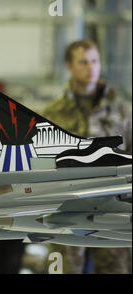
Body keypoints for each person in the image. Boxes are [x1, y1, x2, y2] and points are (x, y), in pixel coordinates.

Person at [42, 39, 132, 274]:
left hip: (112, 207)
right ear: (69, 66)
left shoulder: (121, 110)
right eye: (83, 62)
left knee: (117, 270)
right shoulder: (52, 114)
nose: (91, 67)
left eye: (95, 61)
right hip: (66, 208)